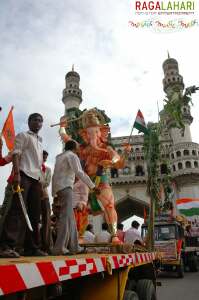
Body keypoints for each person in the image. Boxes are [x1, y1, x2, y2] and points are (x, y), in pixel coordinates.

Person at [0, 113, 46, 257]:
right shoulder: (23, 135)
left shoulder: (40, 140)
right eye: (35, 120)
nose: (38, 123)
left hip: (36, 179)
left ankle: (31, 247)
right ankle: (6, 246)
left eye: (40, 121)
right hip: (24, 175)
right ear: (29, 122)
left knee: (34, 213)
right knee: (17, 210)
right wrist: (17, 174)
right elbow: (16, 154)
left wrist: (42, 184)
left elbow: (39, 165)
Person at [52, 140, 97, 255]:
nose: (79, 148)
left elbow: (55, 175)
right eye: (77, 146)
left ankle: (74, 247)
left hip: (60, 188)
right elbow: (79, 172)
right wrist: (93, 186)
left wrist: (54, 192)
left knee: (70, 220)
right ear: (74, 147)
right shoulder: (72, 156)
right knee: (65, 219)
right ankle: (59, 248)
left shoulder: (59, 157)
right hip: (66, 187)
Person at [40, 150, 52, 253]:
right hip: (34, 196)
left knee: (46, 222)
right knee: (34, 221)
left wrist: (39, 182)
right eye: (43, 157)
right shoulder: (34, 167)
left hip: (44, 196)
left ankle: (46, 246)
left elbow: (46, 183)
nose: (44, 159)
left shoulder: (48, 169)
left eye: (45, 158)